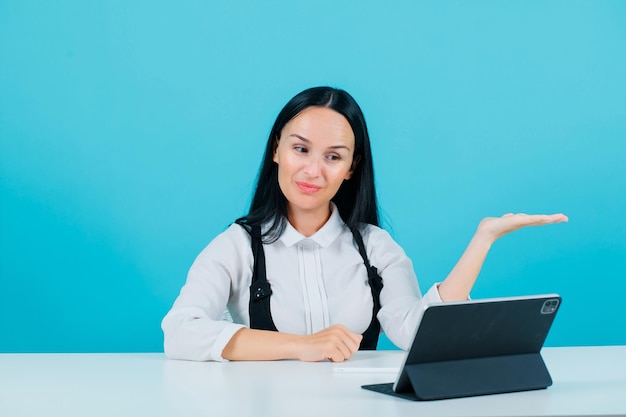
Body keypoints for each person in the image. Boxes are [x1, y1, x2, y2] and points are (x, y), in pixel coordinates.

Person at [161, 86, 567, 363]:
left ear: (351, 168)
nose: (313, 170)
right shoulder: (237, 246)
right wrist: (302, 347)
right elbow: (180, 331)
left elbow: (415, 333)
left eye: (333, 157)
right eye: (300, 149)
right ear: (276, 150)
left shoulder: (375, 247)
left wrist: (484, 239)